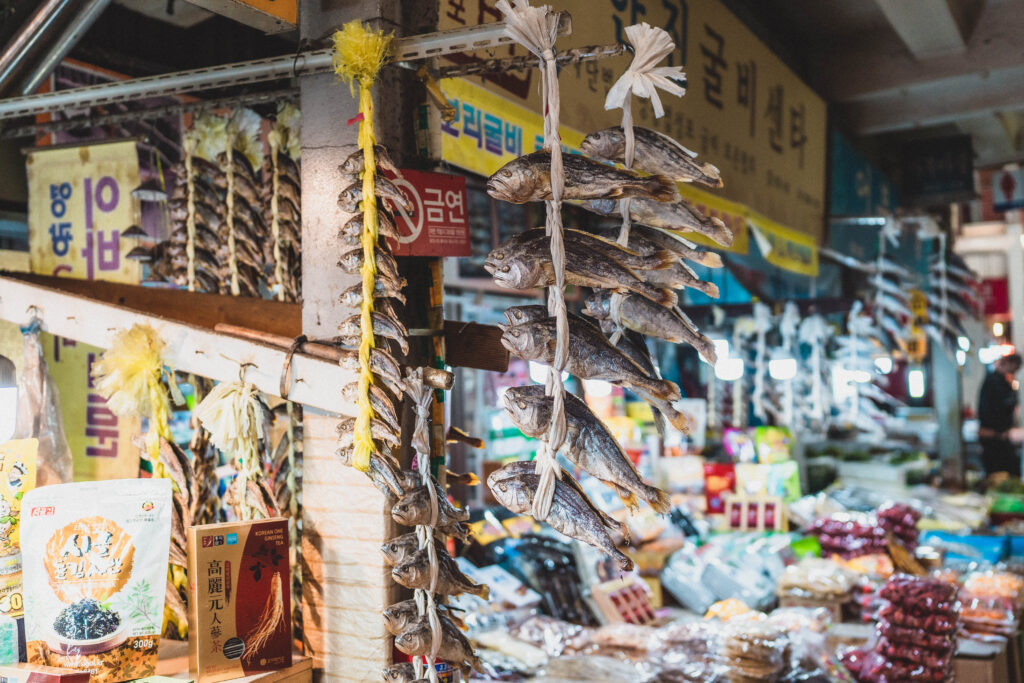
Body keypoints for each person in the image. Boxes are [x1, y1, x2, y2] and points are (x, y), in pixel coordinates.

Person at [978, 353, 1023, 477]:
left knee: (1010, 473)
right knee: (997, 474)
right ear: (1007, 364)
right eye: (1014, 368)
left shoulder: (1007, 382)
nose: (1014, 371)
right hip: (994, 438)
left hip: (1005, 437)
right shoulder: (992, 381)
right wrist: (999, 433)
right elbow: (986, 412)